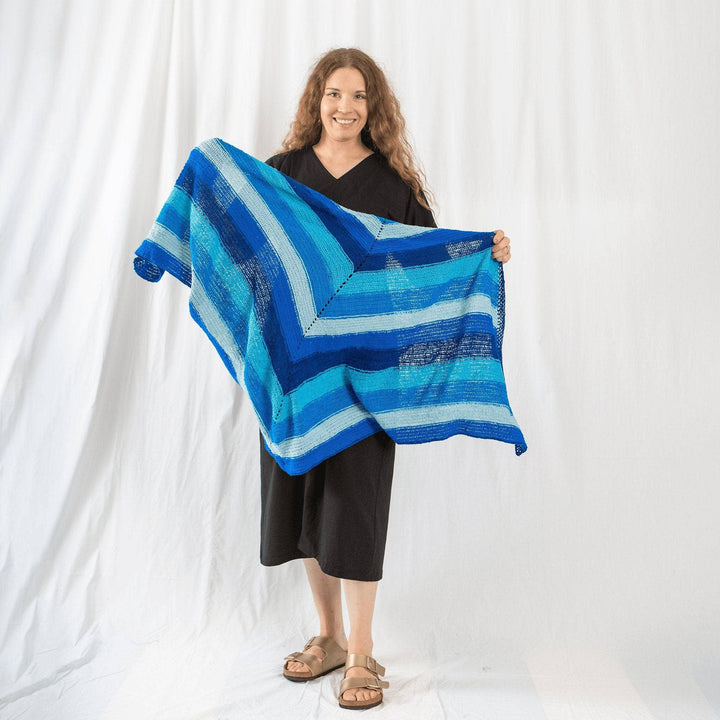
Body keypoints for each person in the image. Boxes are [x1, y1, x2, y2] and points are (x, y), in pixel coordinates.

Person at [259, 47, 512, 710]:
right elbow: (252, 257)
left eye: (358, 97)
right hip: (294, 376)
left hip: (368, 380)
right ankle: (329, 637)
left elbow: (426, 266)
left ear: (375, 110)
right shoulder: (280, 175)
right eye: (334, 94)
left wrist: (483, 254)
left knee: (356, 508)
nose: (345, 108)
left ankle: (365, 651)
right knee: (306, 506)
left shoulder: (393, 185)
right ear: (317, 98)